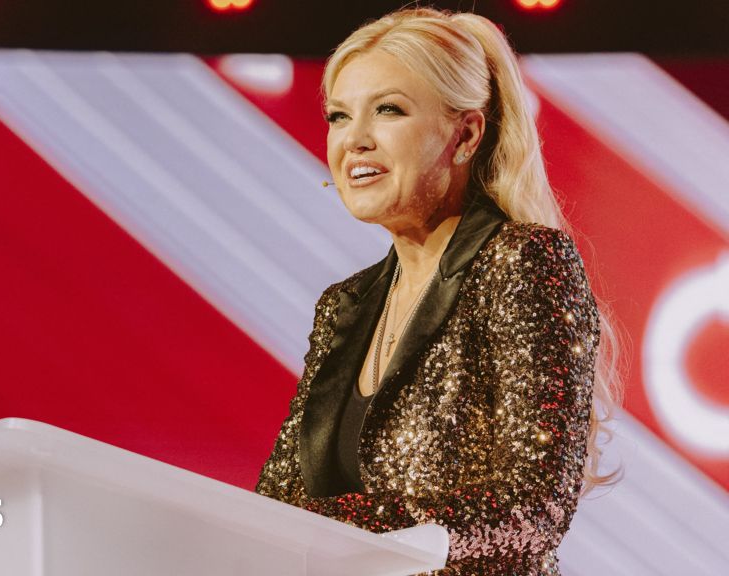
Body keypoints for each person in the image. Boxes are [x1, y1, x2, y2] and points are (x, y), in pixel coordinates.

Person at [254, 7, 622, 575]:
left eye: (388, 110)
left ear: (466, 134)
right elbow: (277, 502)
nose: (354, 140)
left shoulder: (521, 261)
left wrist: (339, 525)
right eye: (338, 116)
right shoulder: (344, 305)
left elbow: (534, 507)